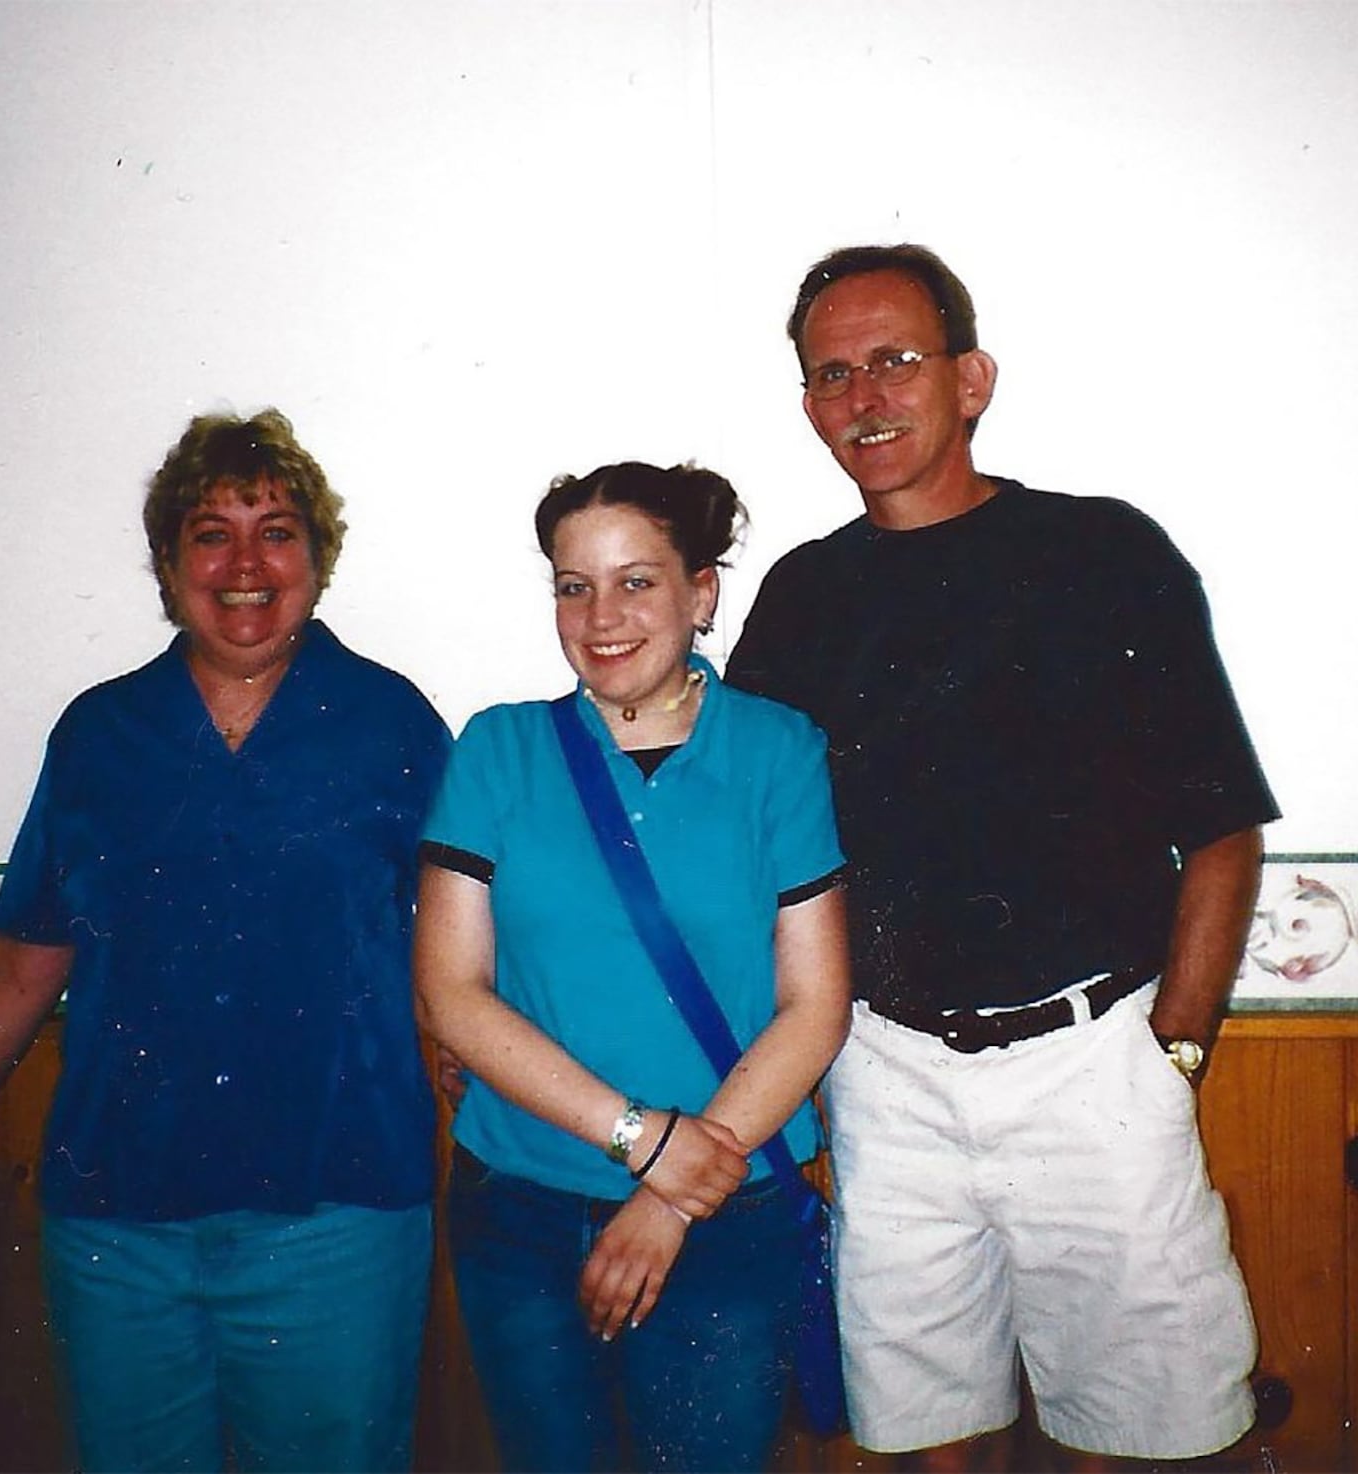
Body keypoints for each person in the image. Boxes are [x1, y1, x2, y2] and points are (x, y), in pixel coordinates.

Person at [726, 244, 1279, 1471]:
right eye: (832, 375)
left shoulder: (1102, 554)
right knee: (927, 1434)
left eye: (894, 361)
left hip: (1096, 1064)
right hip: (884, 1074)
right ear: (809, 408)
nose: (864, 397)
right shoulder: (802, 595)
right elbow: (744, 853)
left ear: (970, 380)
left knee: (1146, 1433)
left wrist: (1171, 1053)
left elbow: (1223, 829)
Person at [0, 408, 449, 1473]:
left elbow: (462, 950)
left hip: (335, 1212)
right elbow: (24, 963)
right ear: (167, 564)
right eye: (210, 532)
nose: (244, 563)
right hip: (118, 1223)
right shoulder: (100, 733)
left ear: (317, 559)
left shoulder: (393, 723)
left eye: (276, 529)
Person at [413, 461, 853, 1473]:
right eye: (573, 584)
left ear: (701, 591)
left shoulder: (780, 751)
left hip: (723, 1210)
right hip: (519, 1205)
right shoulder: (498, 749)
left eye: (635, 580)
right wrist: (637, 1138)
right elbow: (449, 991)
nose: (599, 615)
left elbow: (813, 1002)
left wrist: (667, 1192)